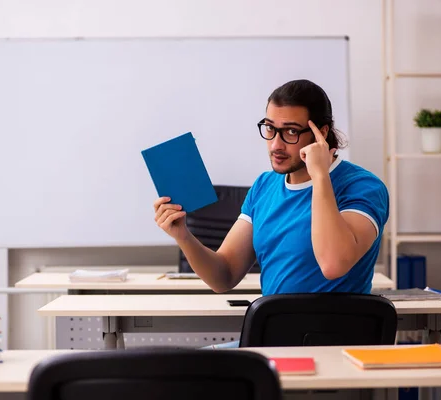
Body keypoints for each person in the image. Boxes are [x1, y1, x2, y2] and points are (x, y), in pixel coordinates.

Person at [153, 79, 389, 346]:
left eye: (290, 132)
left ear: (320, 133)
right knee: (189, 371)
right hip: (274, 339)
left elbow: (333, 264)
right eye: (270, 129)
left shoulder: (363, 187)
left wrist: (320, 175)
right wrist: (183, 235)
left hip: (336, 341)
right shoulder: (264, 187)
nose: (276, 144)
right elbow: (224, 276)